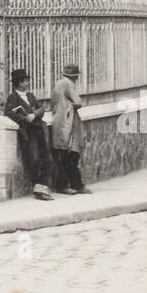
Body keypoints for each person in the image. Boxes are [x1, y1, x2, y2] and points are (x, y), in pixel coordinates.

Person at [4, 69, 54, 201]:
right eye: (25, 81)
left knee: (47, 158)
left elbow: (41, 108)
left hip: (39, 129)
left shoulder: (30, 95)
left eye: (27, 80)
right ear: (19, 83)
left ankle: (43, 187)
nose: (27, 83)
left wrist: (35, 114)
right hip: (27, 132)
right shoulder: (13, 97)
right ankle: (39, 190)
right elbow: (9, 113)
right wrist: (24, 118)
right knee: (34, 159)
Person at [49, 62, 91, 194]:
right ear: (75, 76)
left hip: (58, 121)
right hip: (67, 123)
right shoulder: (68, 84)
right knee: (71, 155)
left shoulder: (59, 83)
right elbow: (78, 102)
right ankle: (72, 185)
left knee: (63, 155)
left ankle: (70, 184)